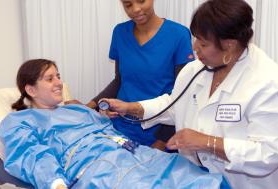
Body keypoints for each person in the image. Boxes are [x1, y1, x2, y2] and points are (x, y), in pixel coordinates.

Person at [102, 0, 278, 188]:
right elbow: (174, 105)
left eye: (203, 43)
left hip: (240, 183)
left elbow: (269, 154)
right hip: (196, 178)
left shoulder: (267, 83)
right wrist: (131, 108)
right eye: (195, 39)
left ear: (229, 44)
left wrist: (207, 143)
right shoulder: (196, 70)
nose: (195, 48)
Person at [0, 59, 227, 189]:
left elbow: (104, 128)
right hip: (100, 169)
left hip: (137, 154)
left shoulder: (76, 109)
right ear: (30, 89)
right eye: (50, 79)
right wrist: (55, 183)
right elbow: (30, 153)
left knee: (203, 180)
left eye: (58, 76)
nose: (59, 83)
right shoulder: (19, 121)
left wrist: (103, 118)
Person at [67, 0, 195, 149]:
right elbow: (119, 80)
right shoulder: (120, 32)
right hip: (119, 127)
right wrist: (87, 107)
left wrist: (161, 142)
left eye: (141, 1)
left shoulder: (178, 34)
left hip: (158, 130)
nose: (135, 9)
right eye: (128, 5)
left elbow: (181, 96)